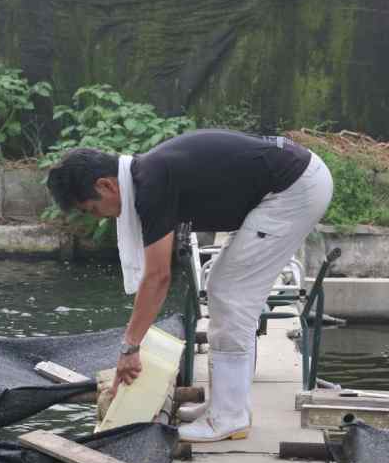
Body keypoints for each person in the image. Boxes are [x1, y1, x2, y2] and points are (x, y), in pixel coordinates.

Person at [46, 129, 333, 442]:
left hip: (294, 189)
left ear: (106, 184)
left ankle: (229, 417)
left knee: (230, 293)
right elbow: (157, 273)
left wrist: (130, 347)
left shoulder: (150, 185)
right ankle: (224, 405)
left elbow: (158, 277)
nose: (99, 217)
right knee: (224, 288)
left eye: (92, 208)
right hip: (288, 184)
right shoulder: (147, 174)